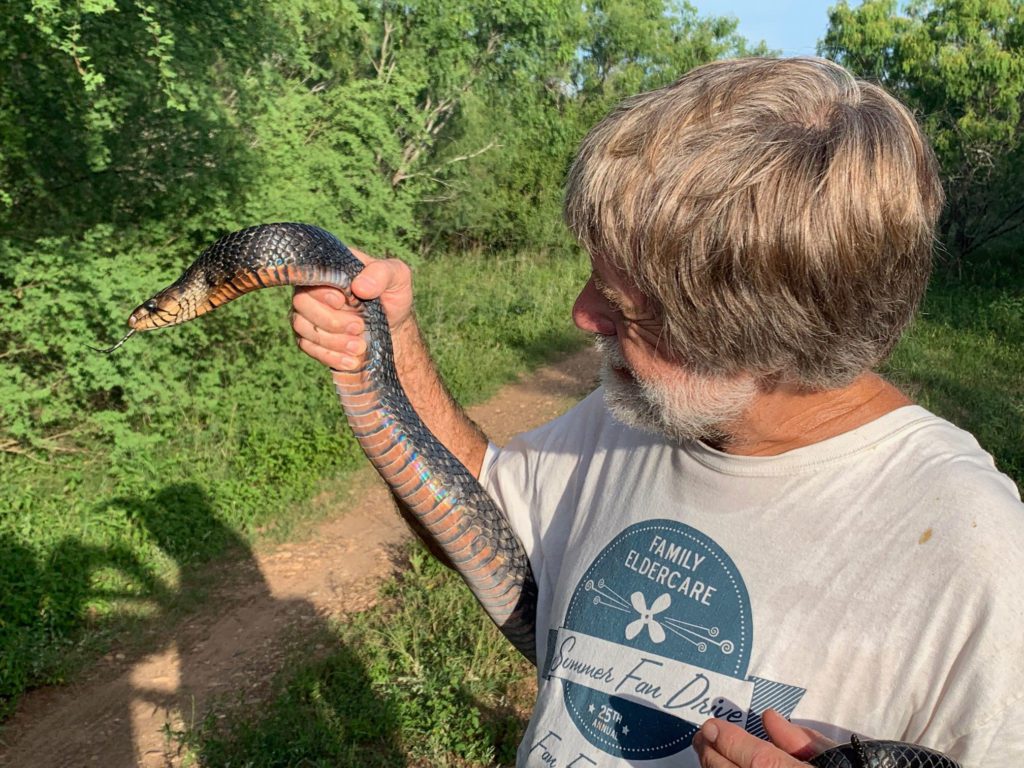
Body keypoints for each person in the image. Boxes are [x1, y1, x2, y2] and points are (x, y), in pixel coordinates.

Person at [290, 57, 1024, 767]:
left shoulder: (973, 554)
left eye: (625, 307)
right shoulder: (644, 410)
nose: (582, 315)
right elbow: (473, 514)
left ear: (763, 338)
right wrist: (393, 346)